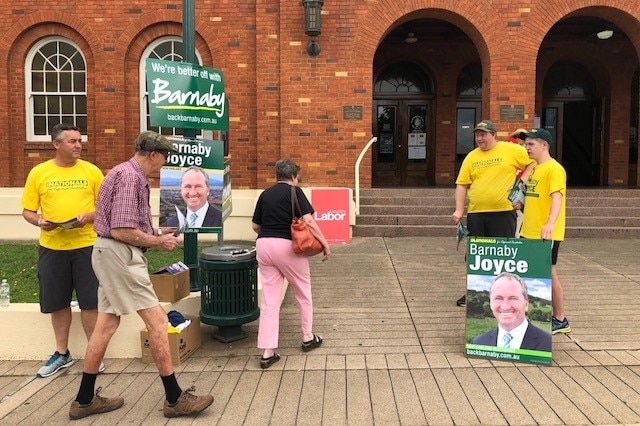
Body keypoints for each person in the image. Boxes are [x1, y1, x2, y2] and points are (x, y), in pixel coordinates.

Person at [68, 131, 213, 420]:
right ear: (153, 154)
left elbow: (116, 221)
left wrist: (158, 233)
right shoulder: (131, 178)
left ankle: (84, 400)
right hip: (120, 256)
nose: (165, 162)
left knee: (105, 326)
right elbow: (122, 230)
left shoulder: (124, 173)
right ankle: (174, 399)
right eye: (165, 156)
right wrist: (159, 242)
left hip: (109, 254)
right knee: (159, 323)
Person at [21, 123, 105, 378]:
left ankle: (94, 355)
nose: (79, 145)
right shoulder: (39, 173)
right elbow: (27, 211)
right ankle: (62, 354)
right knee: (57, 302)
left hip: (87, 246)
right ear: (56, 144)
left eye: (80, 140)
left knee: (90, 302)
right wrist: (39, 222)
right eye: (72, 141)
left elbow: (105, 208)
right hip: (52, 247)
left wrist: (89, 215)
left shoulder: (92, 172)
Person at [251, 159, 331, 369]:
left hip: (264, 246)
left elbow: (255, 225)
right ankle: (307, 337)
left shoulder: (265, 194)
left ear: (277, 175)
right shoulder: (295, 192)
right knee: (303, 293)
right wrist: (325, 243)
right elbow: (310, 221)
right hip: (288, 247)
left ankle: (268, 351)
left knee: (270, 300)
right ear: (294, 176)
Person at [452, 120, 535, 307]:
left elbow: (534, 161)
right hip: (477, 213)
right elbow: (461, 184)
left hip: (503, 213)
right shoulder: (471, 157)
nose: (479, 138)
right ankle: (474, 293)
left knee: (503, 256)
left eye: (483, 134)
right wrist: (459, 209)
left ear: (493, 135)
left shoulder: (511, 150)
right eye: (477, 135)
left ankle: (506, 295)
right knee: (477, 257)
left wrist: (523, 179)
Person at [517, 128, 571, 335]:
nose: (526, 148)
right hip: (529, 230)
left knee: (549, 272)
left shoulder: (554, 169)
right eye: (525, 144)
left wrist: (550, 223)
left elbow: (557, 197)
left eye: (530, 144)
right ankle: (536, 313)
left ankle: (560, 318)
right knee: (530, 274)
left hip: (545, 233)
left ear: (544, 145)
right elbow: (536, 197)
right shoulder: (536, 169)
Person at [471, 272, 552, 351]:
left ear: (526, 304)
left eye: (513, 298)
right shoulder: (478, 343)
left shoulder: (548, 343)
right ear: (490, 303)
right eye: (498, 298)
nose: (505, 306)